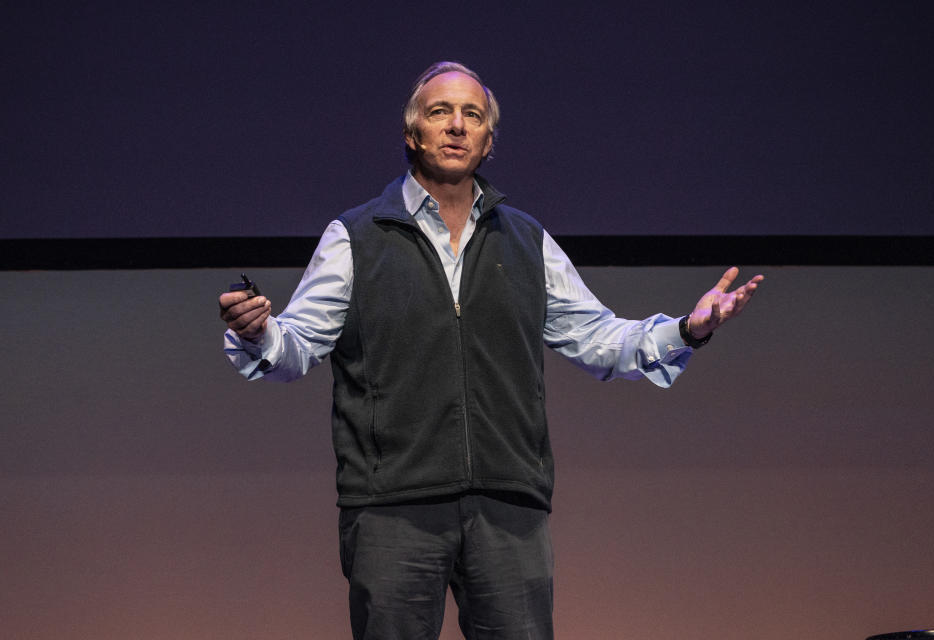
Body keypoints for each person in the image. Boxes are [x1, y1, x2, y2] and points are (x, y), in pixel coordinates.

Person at [218, 61, 762, 640]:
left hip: (508, 505)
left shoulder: (526, 239)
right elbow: (298, 342)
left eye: (471, 115)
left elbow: (600, 337)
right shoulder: (356, 236)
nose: (456, 125)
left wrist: (687, 329)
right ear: (412, 134)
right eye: (439, 112)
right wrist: (259, 333)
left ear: (487, 141)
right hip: (393, 504)